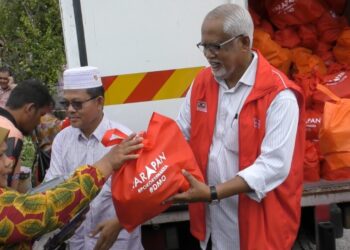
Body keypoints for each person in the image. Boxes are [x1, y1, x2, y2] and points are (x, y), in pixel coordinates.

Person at [165, 4, 305, 250]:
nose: (208, 54)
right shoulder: (202, 82)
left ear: (244, 42)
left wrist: (212, 193)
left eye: (216, 46)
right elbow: (180, 131)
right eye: (204, 46)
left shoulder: (279, 95)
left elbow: (273, 166)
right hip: (212, 228)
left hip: (258, 230)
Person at [44, 66, 144, 250]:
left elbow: (144, 196)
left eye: (77, 104)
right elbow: (53, 188)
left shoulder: (124, 139)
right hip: (78, 243)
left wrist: (119, 222)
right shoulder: (62, 140)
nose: (70, 110)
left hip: (118, 244)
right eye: (66, 104)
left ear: (99, 102)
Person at [0, 126, 143, 249]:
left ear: (98, 103)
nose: (9, 163)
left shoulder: (121, 132)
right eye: (0, 156)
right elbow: (47, 207)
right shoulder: (63, 139)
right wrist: (106, 165)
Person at [0, 79, 53, 192]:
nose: (39, 122)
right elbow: (5, 188)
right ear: (30, 109)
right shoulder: (12, 134)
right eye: (41, 115)